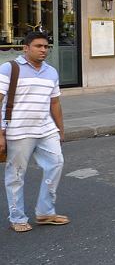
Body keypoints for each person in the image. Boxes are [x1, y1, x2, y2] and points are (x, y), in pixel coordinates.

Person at [2, 31, 68, 233]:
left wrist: (60, 129)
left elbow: (55, 103)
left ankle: (45, 211)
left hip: (46, 129)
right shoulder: (9, 68)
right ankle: (17, 217)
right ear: (26, 48)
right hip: (19, 130)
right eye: (38, 46)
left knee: (56, 163)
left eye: (46, 47)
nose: (43, 50)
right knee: (16, 175)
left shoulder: (51, 72)